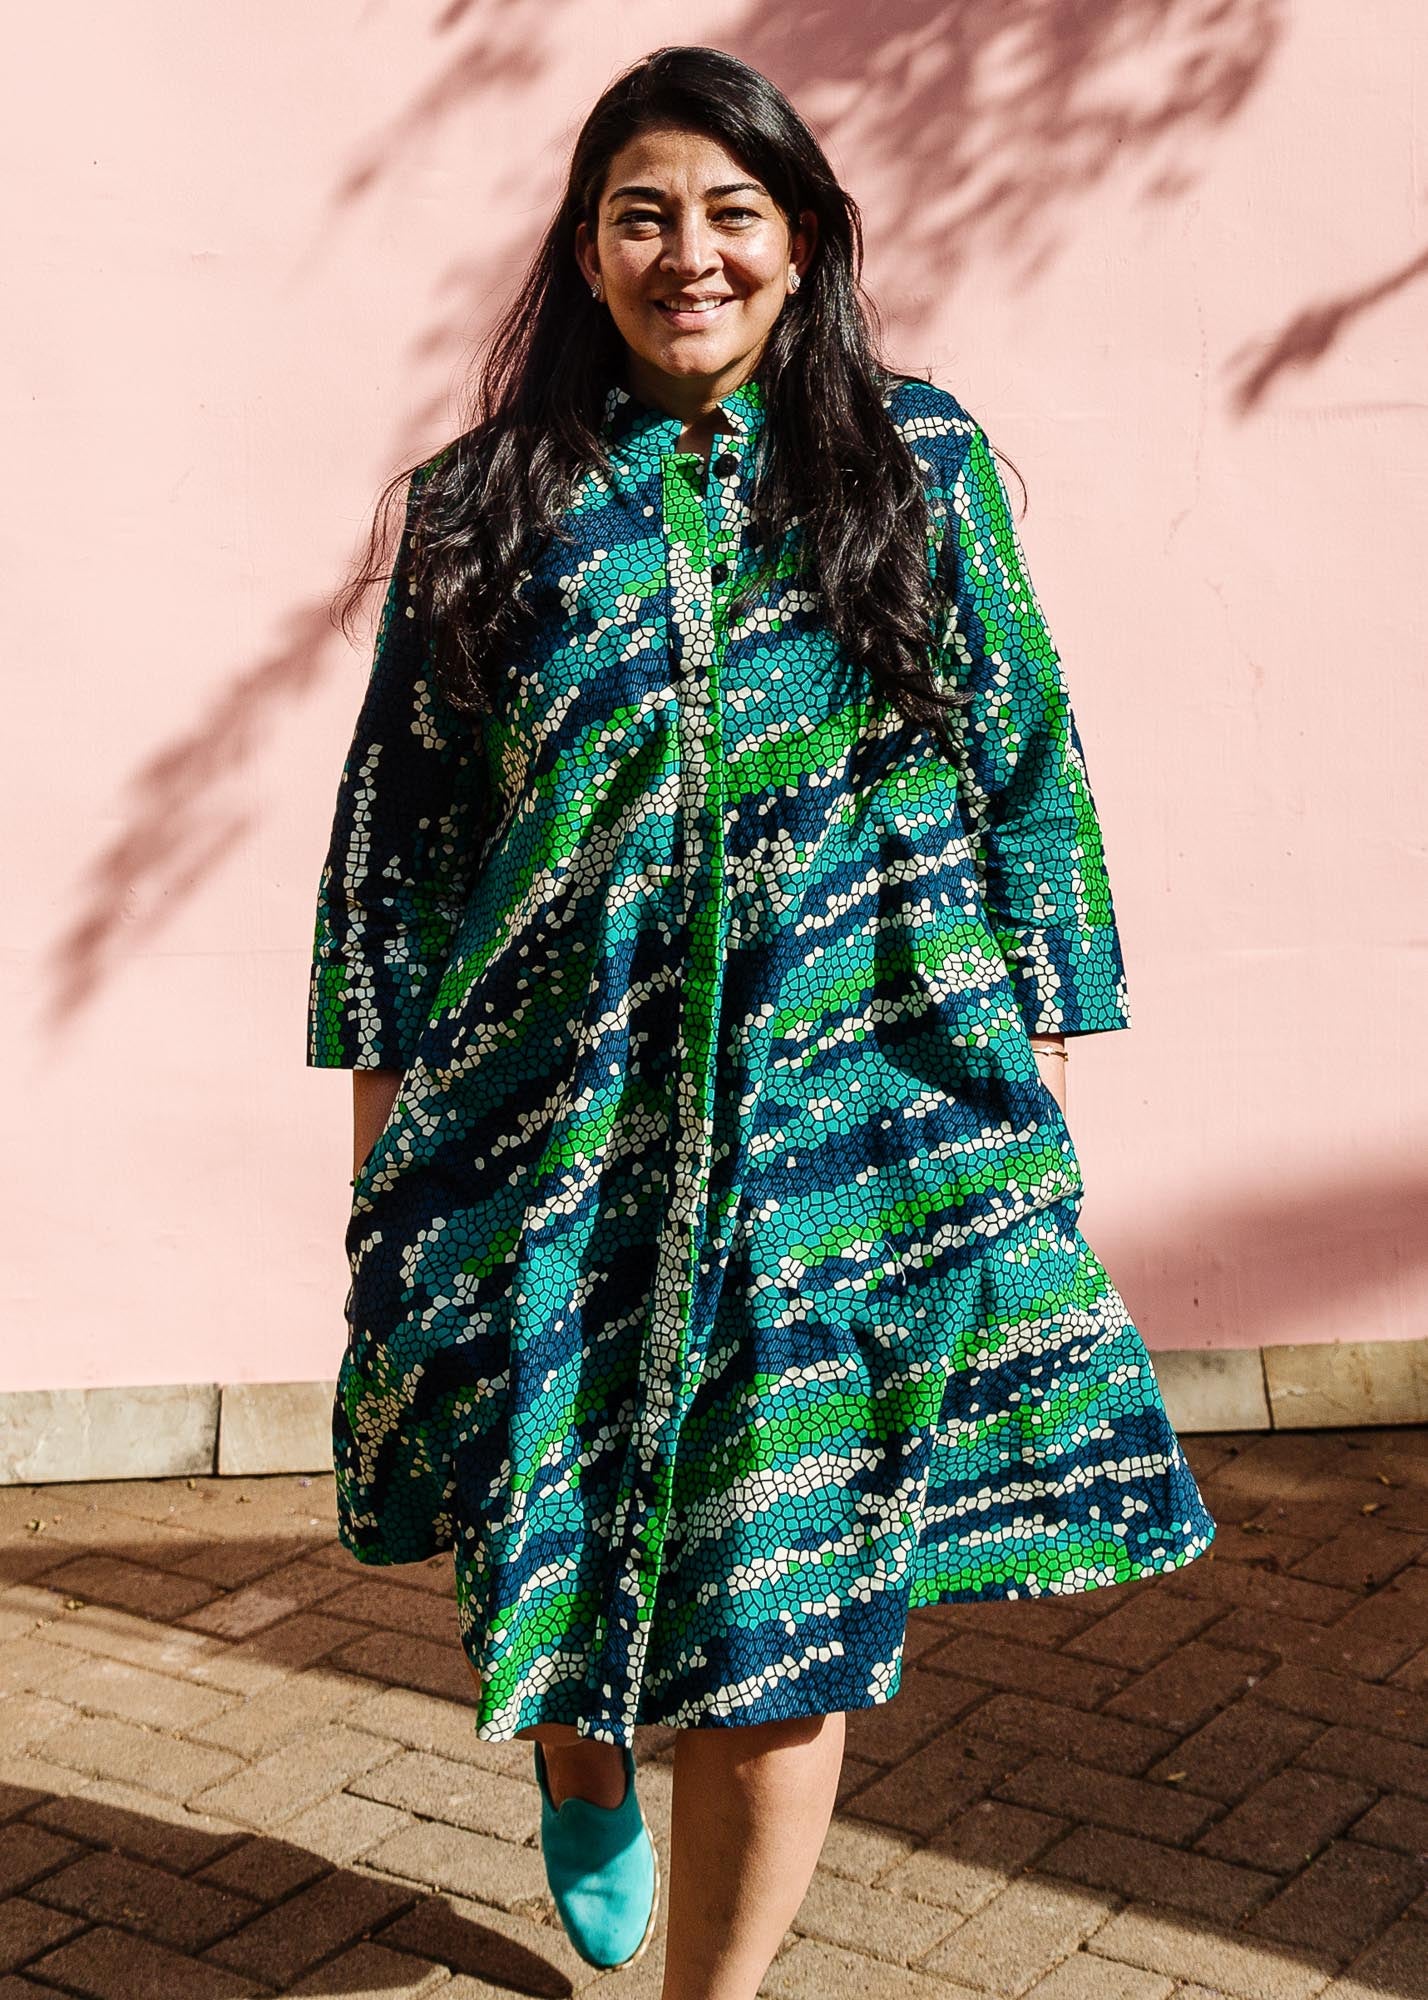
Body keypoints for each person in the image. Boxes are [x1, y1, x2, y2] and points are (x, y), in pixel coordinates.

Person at [306, 42, 1217, 2000]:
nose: (690, 255)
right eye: (642, 216)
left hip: (849, 1130)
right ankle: (576, 1747)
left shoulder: (917, 464)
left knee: (787, 1603)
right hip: (554, 1132)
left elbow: (1026, 757)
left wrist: (1040, 1066)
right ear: (585, 250)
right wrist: (388, 1148)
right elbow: (399, 840)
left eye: (732, 213)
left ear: (802, 240)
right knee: (550, 1508)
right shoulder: (482, 508)